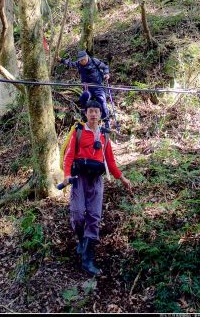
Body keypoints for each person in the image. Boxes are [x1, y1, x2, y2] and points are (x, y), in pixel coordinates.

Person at [61, 100, 132, 276]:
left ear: (100, 114)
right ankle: (81, 240)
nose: (93, 114)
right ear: (86, 114)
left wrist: (122, 178)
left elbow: (110, 161)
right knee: (77, 214)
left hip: (96, 180)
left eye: (96, 111)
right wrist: (66, 176)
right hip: (79, 178)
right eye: (90, 111)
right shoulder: (78, 132)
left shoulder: (104, 135)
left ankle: (88, 259)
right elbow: (69, 156)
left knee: (94, 216)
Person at [58, 50, 111, 127]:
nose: (82, 61)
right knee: (84, 98)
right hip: (87, 88)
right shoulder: (79, 63)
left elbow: (105, 67)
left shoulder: (94, 61)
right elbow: (70, 63)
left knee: (102, 100)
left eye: (84, 59)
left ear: (87, 57)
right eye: (81, 60)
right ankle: (85, 117)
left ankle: (106, 120)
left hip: (98, 86)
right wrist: (61, 60)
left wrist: (106, 74)